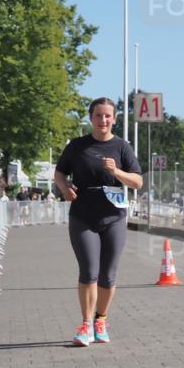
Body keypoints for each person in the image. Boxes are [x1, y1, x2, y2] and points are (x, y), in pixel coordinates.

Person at [54, 97, 142, 346]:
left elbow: (137, 182)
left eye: (107, 116)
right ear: (90, 118)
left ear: (114, 119)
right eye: (98, 115)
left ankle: (100, 319)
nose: (103, 120)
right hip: (83, 215)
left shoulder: (122, 147)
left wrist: (116, 172)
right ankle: (85, 325)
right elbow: (60, 172)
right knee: (89, 272)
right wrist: (64, 187)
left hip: (113, 217)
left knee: (108, 275)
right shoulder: (77, 146)